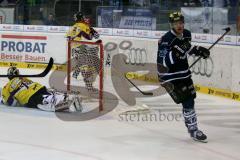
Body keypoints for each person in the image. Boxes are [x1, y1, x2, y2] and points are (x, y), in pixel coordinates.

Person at [157, 11, 210, 142]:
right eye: (176, 23)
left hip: (183, 73)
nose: (179, 25)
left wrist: (199, 51)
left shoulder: (186, 34)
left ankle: (190, 125)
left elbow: (187, 49)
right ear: (171, 24)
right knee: (188, 101)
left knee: (191, 99)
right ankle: (193, 130)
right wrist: (179, 51)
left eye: (181, 22)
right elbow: (165, 62)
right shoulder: (166, 39)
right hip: (169, 76)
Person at [0, 67, 82, 112]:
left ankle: (68, 99)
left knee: (44, 102)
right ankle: (65, 96)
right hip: (39, 87)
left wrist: (3, 101)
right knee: (48, 94)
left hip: (30, 96)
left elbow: (11, 103)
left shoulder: (6, 87)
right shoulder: (23, 78)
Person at [66, 11, 101, 92]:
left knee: (84, 67)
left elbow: (68, 38)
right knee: (88, 67)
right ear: (81, 18)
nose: (84, 19)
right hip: (82, 48)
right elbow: (91, 37)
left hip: (75, 49)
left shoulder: (73, 26)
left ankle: (87, 84)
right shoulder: (83, 26)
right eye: (83, 17)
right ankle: (89, 86)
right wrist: (91, 30)